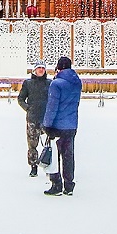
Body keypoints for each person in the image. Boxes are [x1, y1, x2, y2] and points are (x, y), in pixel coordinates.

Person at [42, 56, 81, 196]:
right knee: (68, 155)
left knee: (54, 156)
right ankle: (69, 184)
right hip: (71, 124)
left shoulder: (56, 84)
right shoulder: (76, 82)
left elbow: (52, 107)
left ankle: (56, 184)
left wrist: (47, 124)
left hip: (57, 125)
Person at [17, 60, 51, 176]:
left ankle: (48, 165)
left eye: (43, 68)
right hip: (32, 118)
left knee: (49, 144)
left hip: (47, 119)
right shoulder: (28, 83)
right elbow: (20, 99)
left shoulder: (50, 83)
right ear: (34, 70)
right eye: (39, 68)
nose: (41, 70)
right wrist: (28, 108)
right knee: (32, 144)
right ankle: (33, 166)